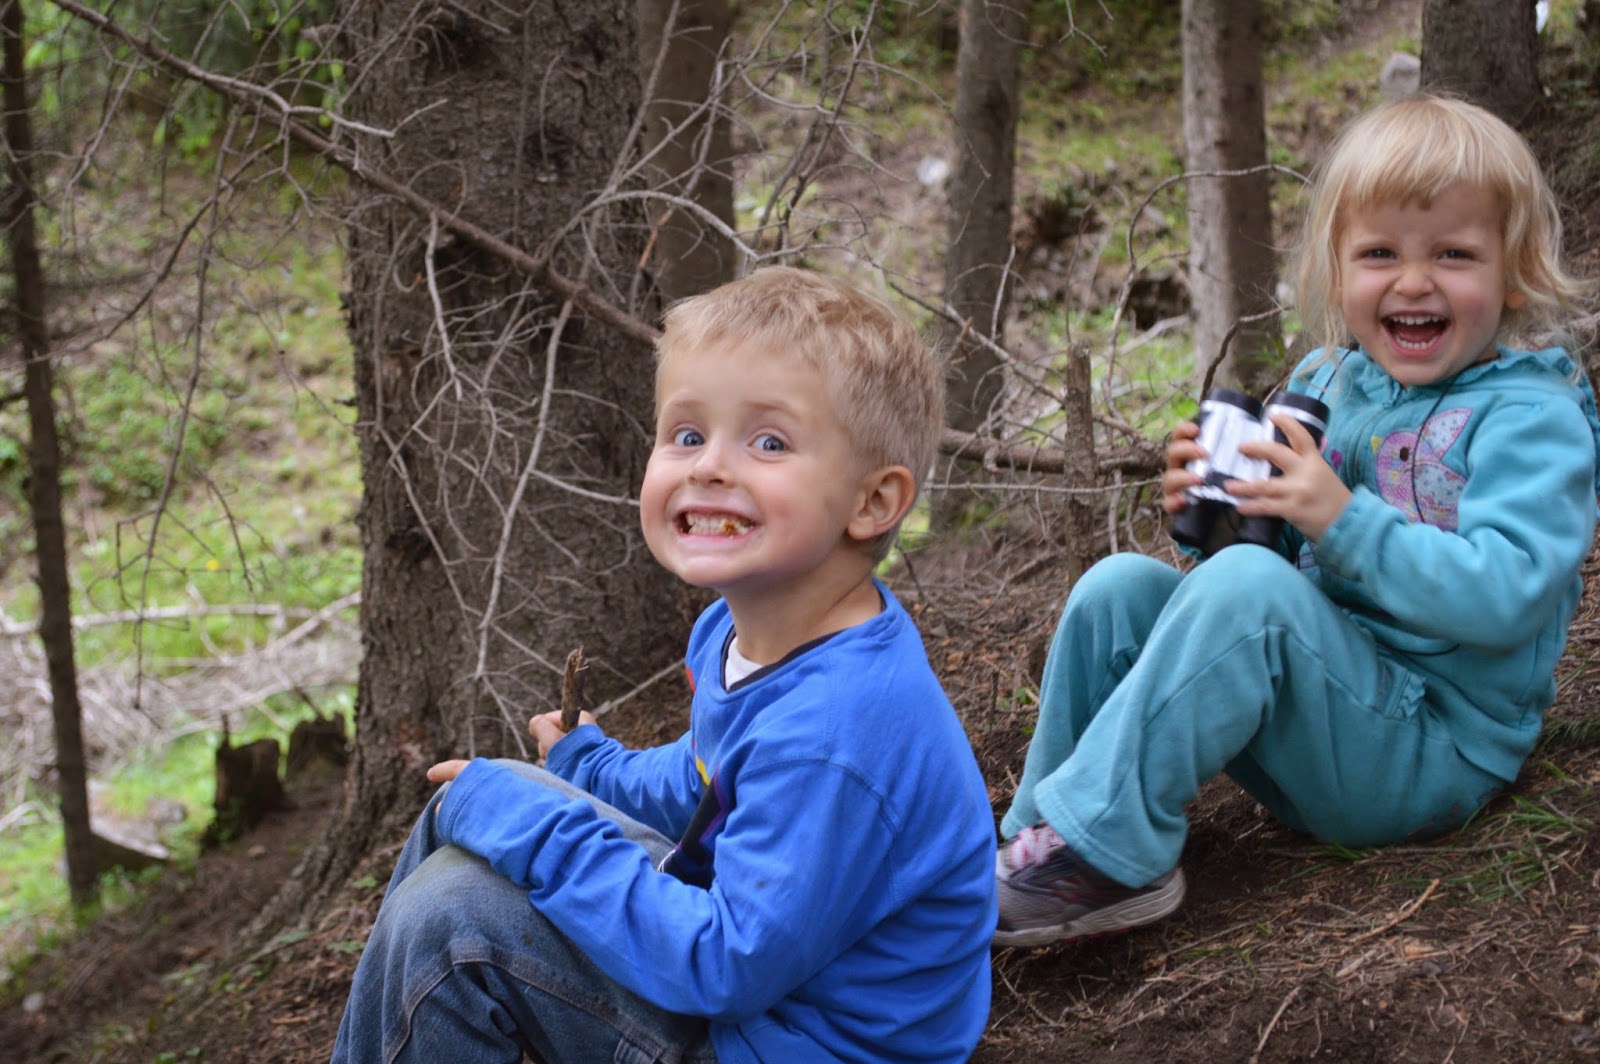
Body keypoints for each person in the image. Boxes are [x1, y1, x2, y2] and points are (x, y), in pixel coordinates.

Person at [330, 266, 997, 1062]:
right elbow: (711, 781)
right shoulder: (740, 636)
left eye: (769, 442)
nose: (708, 466)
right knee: (479, 800)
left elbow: (726, 965)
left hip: (788, 1038)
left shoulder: (837, 732)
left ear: (873, 502)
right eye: (686, 435)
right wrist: (592, 770)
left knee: (451, 919)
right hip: (752, 983)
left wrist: (545, 832)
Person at [994, 93, 1599, 949]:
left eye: (1454, 254)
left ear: (1515, 273)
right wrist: (1215, 511)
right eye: (1380, 252)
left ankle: (1109, 855)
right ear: (1337, 269)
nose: (1413, 280)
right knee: (1117, 589)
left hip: (1429, 753)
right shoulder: (1332, 380)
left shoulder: (1533, 419)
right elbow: (1267, 567)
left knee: (1247, 590)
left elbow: (1508, 599)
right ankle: (1040, 842)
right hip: (1319, 721)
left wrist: (1341, 522)